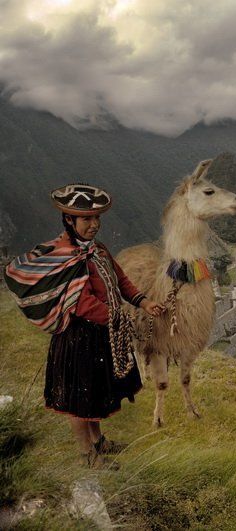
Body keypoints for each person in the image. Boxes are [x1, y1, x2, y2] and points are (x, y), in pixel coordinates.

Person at [4, 184, 164, 468]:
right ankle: (87, 455)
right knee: (81, 398)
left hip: (101, 334)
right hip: (78, 339)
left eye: (96, 219)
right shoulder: (67, 258)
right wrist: (118, 317)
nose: (94, 225)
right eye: (87, 219)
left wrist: (143, 302)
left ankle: (98, 442)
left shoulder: (98, 251)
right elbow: (82, 303)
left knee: (94, 395)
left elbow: (120, 281)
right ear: (69, 220)